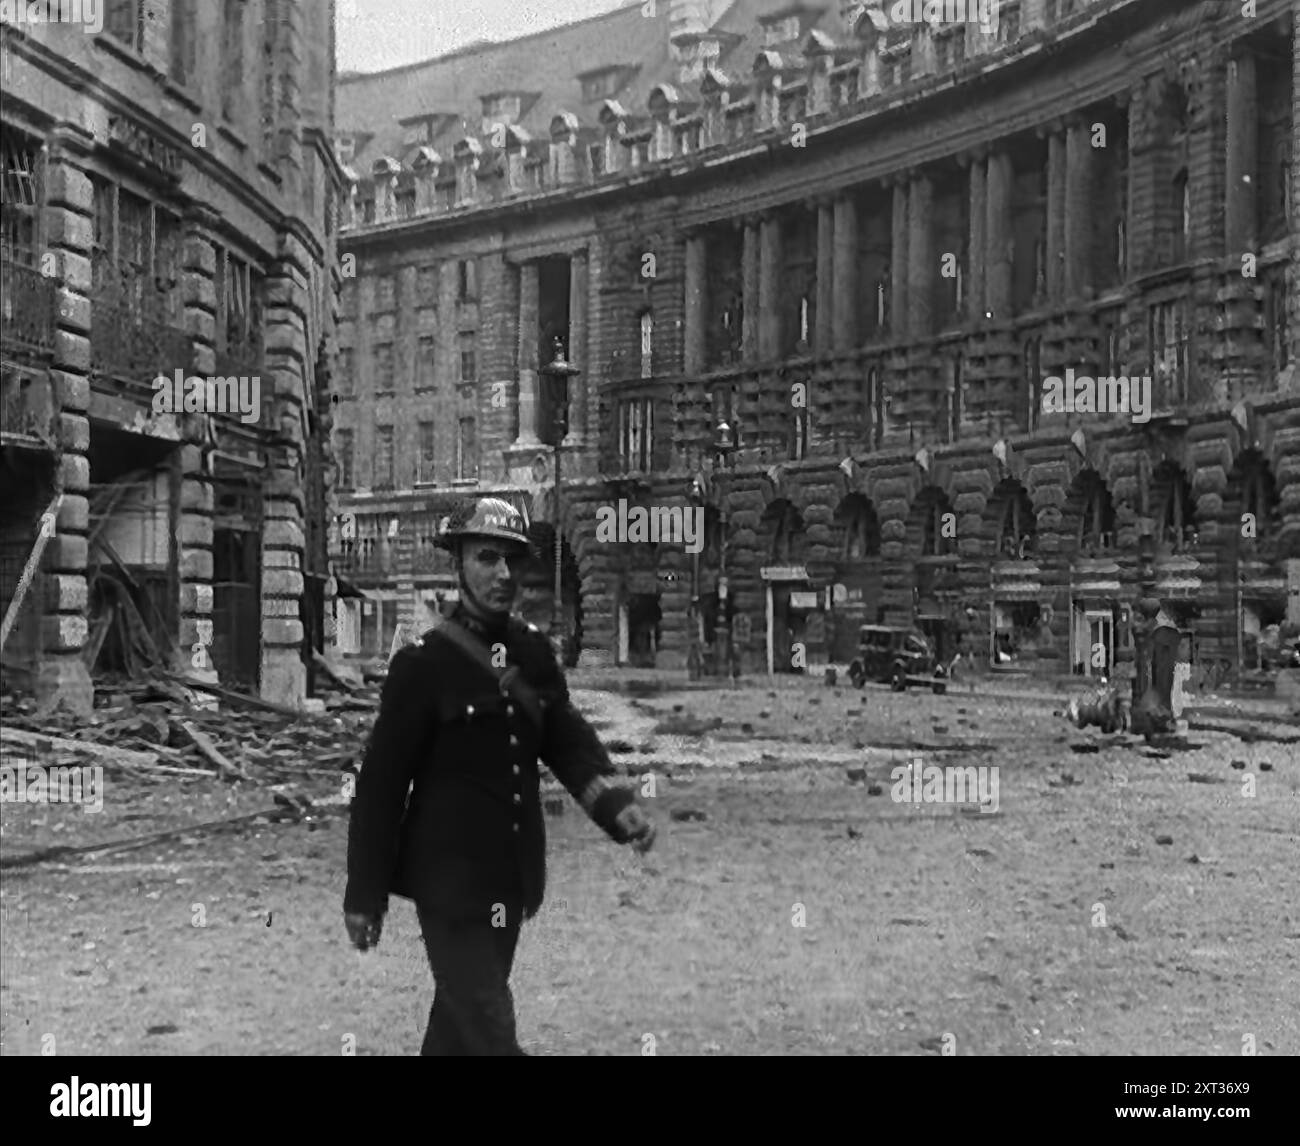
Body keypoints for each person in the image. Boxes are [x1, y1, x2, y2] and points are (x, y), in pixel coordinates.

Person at [343, 496, 657, 1055]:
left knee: (458, 1031)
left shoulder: (533, 654)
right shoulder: (423, 664)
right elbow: (381, 786)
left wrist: (614, 804)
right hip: (448, 885)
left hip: (510, 878)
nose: (503, 574)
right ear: (458, 563)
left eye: (513, 560)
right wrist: (365, 894)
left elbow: (565, 738)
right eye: (487, 558)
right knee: (490, 1029)